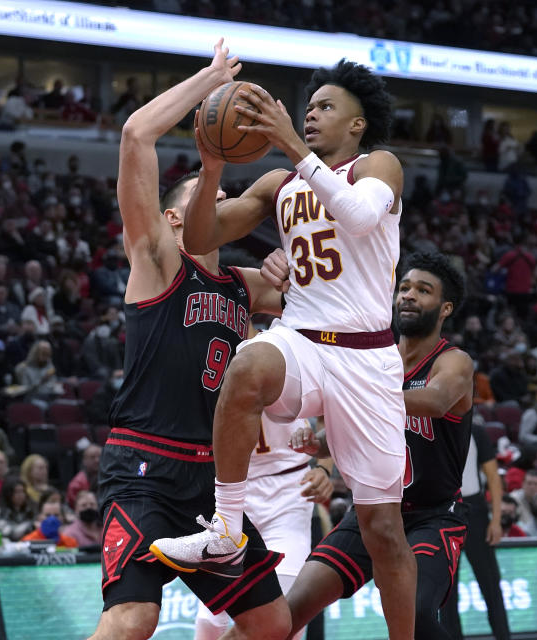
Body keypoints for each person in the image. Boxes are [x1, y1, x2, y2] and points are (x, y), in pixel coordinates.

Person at [152, 57, 415, 638]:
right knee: (247, 365)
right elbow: (200, 237)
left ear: (357, 123)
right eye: (309, 107)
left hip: (366, 357)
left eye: (325, 107)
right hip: (301, 339)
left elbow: (361, 215)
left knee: (382, 531)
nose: (310, 114)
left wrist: (295, 146)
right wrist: (214, 164)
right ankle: (226, 525)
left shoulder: (378, 165)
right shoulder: (282, 182)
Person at [89, 40, 290, 640]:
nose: (224, 206)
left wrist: (289, 264)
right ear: (175, 218)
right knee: (134, 619)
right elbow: (134, 136)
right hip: (145, 465)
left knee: (271, 622)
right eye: (213, 199)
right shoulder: (156, 260)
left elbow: (332, 298)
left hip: (212, 482)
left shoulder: (243, 284)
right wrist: (209, 82)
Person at [279, 251, 473, 639]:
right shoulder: (373, 358)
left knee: (415, 611)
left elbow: (435, 401)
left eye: (423, 290)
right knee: (285, 615)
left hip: (432, 517)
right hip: (371, 511)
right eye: (403, 287)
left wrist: (353, 392)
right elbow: (339, 435)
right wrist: (312, 442)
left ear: (445, 307)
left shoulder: (453, 362)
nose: (408, 296)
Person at [194, 411, 333, 640]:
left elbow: (328, 410)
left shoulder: (304, 372)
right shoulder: (202, 374)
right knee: (210, 620)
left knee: (288, 616)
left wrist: (323, 467)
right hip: (227, 488)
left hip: (289, 488)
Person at [442, 422, 511, 640]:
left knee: (490, 583)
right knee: (447, 592)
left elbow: (493, 477)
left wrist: (496, 520)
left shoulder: (476, 431)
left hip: (475, 512)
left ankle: (503, 636)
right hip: (443, 511)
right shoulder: (433, 427)